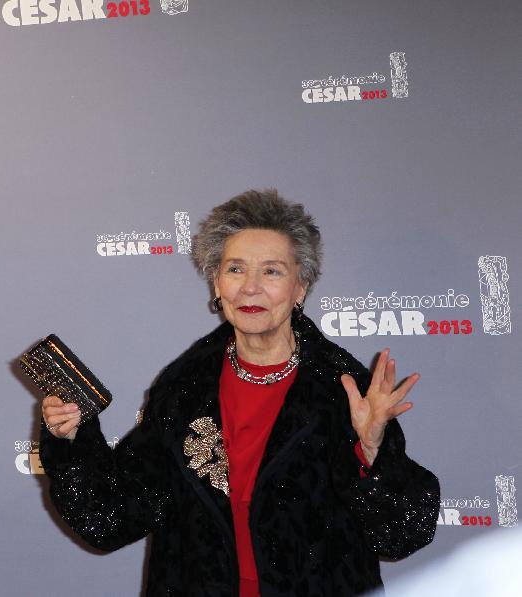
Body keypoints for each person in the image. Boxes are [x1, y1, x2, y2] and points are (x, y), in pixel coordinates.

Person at [39, 189, 440, 596]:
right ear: (216, 283)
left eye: (271, 271)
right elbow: (111, 519)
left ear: (300, 287)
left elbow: (402, 535)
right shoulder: (182, 388)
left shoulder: (344, 389)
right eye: (235, 269)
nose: (250, 288)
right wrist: (72, 438)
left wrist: (373, 452)